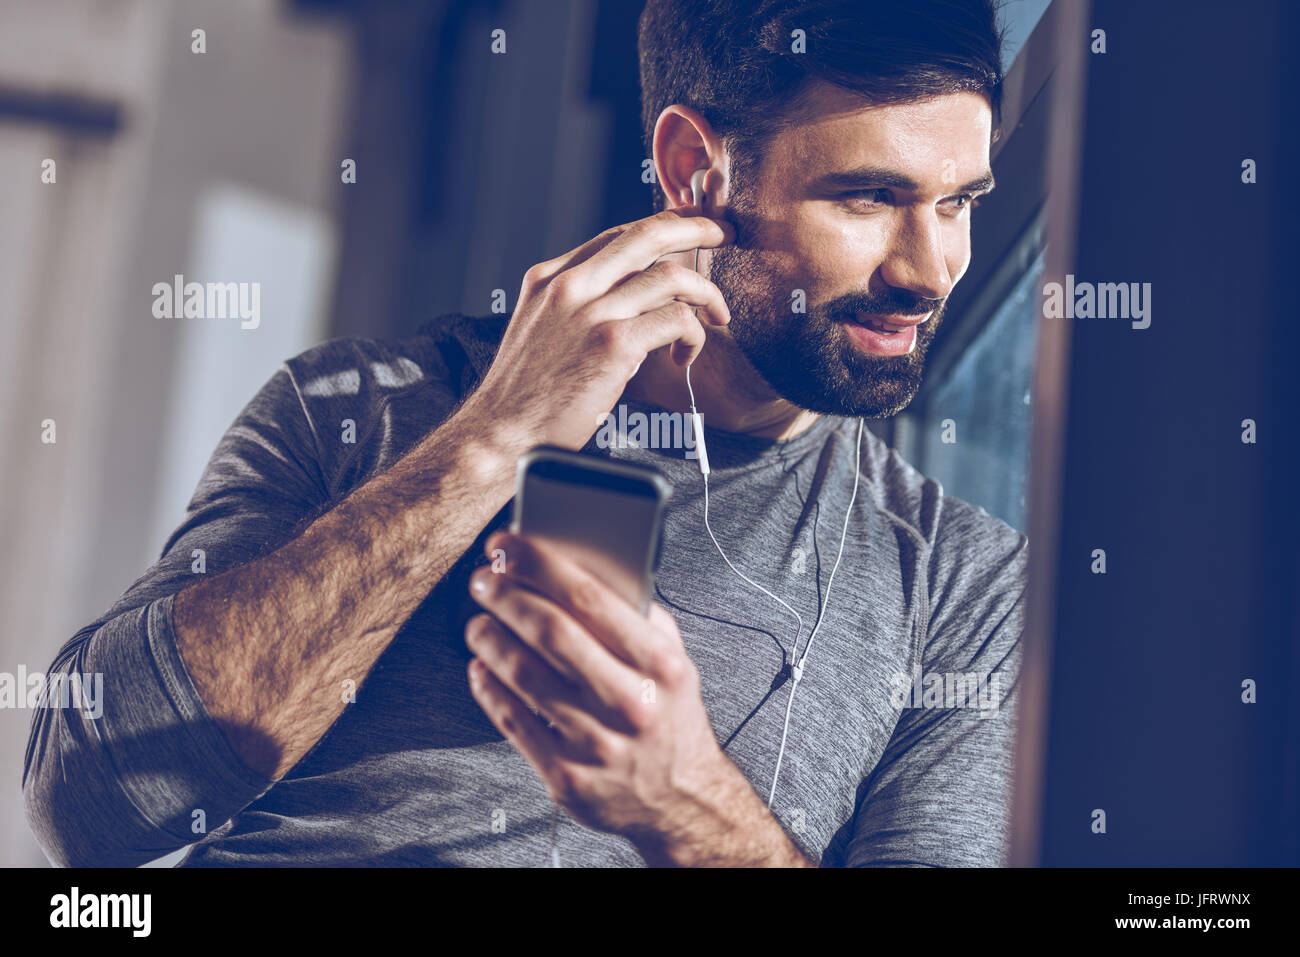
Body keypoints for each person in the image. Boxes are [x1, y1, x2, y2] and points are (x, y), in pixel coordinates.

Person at [24, 0, 1027, 867]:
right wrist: (489, 441)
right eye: (869, 197)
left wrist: (684, 805)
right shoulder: (359, 405)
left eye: (958, 203)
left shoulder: (961, 589)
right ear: (695, 170)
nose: (929, 269)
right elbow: (86, 810)